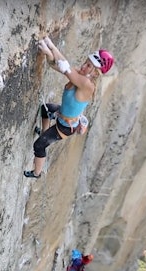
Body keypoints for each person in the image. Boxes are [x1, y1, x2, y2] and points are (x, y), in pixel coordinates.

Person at [24, 36, 114, 178]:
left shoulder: (87, 85)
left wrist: (51, 46)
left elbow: (64, 67)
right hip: (62, 115)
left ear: (96, 73)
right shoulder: (81, 75)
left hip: (65, 127)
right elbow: (56, 65)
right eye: (86, 62)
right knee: (45, 109)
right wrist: (48, 53)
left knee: (39, 145)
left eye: (89, 66)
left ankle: (37, 172)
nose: (84, 66)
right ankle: (44, 131)